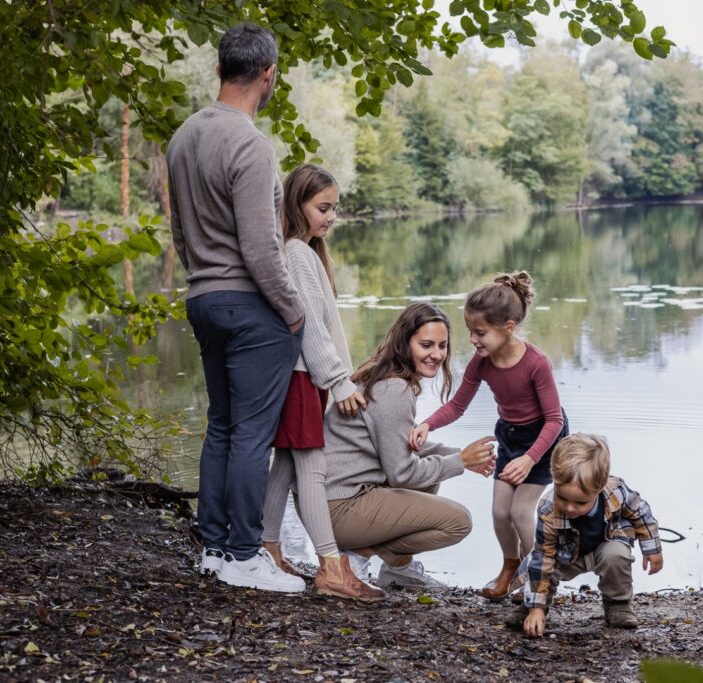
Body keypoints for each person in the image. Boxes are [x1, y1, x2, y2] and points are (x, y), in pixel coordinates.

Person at [166, 23, 306, 592]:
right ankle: (246, 555)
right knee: (251, 435)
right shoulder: (250, 143)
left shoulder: (183, 137)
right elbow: (261, 248)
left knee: (221, 427)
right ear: (268, 74)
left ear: (220, 68)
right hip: (251, 307)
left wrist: (204, 277)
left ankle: (215, 550)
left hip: (204, 299)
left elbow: (180, 233)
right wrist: (293, 310)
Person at [258, 164, 383, 602]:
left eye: (334, 208)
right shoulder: (296, 252)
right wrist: (338, 380)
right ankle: (330, 567)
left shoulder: (306, 252)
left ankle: (268, 548)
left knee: (286, 464)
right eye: (323, 208)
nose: (331, 217)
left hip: (305, 376)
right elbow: (308, 324)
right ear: (298, 206)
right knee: (312, 466)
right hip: (303, 375)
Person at [409, 272, 569, 600]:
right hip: (510, 437)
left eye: (480, 332)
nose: (472, 339)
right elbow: (457, 406)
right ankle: (510, 568)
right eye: (470, 330)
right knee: (500, 512)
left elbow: (554, 419)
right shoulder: (481, 362)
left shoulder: (536, 363)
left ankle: (538, 575)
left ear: (508, 327)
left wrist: (530, 459)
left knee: (520, 512)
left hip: (544, 441)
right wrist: (427, 424)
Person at [323, 302, 497, 589]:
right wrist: (460, 462)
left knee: (430, 478)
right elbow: (402, 474)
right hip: (340, 508)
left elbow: (406, 446)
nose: (437, 354)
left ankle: (398, 569)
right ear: (405, 343)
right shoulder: (394, 390)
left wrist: (461, 456)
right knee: (458, 522)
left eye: (442, 346)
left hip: (339, 499)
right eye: (426, 345)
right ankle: (356, 555)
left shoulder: (388, 377)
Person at [507, 433, 663, 636]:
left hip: (607, 543)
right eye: (563, 498)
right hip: (565, 554)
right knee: (539, 564)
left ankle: (618, 604)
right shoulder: (548, 508)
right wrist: (536, 607)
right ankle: (534, 608)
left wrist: (652, 549)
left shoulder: (615, 491)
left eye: (580, 502)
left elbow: (640, 512)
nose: (570, 508)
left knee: (616, 555)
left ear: (599, 488)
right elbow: (543, 557)